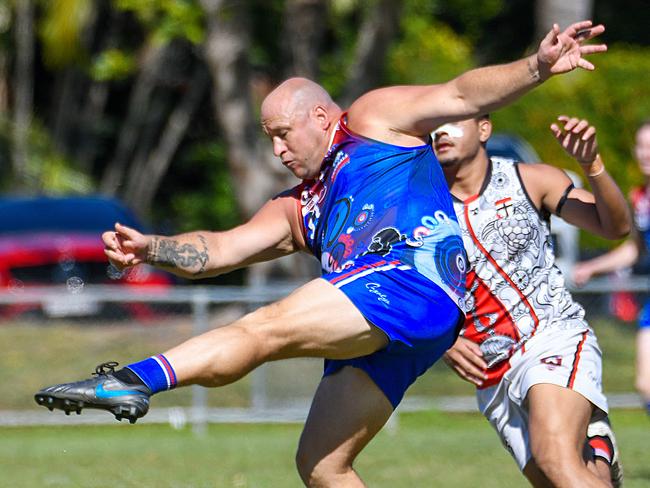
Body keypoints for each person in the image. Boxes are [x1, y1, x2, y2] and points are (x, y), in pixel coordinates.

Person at [35, 21, 606, 487]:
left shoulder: (371, 121)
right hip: (403, 321)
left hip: (409, 282)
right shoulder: (296, 208)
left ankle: (132, 381)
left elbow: (459, 93)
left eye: (285, 133)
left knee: (266, 325)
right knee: (322, 464)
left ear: (321, 116)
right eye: (268, 139)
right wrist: (152, 248)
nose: (278, 150)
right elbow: (221, 250)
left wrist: (536, 67)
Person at [437, 113, 629, 487]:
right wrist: (444, 340)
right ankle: (599, 447)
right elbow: (409, 290)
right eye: (434, 122)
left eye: (453, 120)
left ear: (484, 128)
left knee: (554, 457)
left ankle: (594, 446)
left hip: (551, 336)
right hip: (491, 371)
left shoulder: (531, 179)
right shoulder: (421, 207)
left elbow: (614, 226)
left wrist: (592, 165)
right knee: (560, 475)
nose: (441, 130)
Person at [573, 119, 650, 417]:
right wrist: (593, 266)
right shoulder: (639, 197)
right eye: (641, 147)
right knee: (645, 383)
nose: (645, 153)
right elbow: (635, 249)